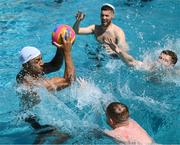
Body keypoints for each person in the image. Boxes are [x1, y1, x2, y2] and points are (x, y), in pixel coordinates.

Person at [16, 34, 74, 144]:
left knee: (45, 137)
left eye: (41, 59)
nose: (41, 63)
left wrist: (60, 48)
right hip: (35, 118)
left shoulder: (28, 71)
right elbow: (68, 81)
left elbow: (55, 65)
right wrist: (67, 52)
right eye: (37, 61)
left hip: (30, 115)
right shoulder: (33, 83)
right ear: (26, 66)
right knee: (66, 135)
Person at [104, 37, 178, 71]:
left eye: (165, 60)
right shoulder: (149, 68)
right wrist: (118, 51)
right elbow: (131, 61)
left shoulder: (174, 74)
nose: (160, 62)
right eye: (160, 58)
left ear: (171, 65)